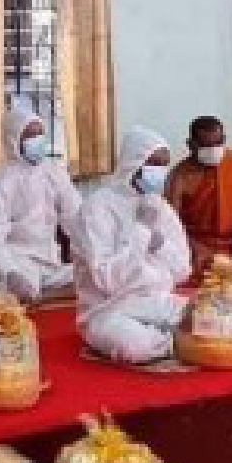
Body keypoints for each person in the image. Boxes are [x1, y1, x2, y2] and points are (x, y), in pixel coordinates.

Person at [74, 127, 192, 363]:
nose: (159, 172)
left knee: (215, 318)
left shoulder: (160, 207)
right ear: (133, 162)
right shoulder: (98, 208)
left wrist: (160, 245)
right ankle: (176, 341)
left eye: (164, 165)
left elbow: (183, 271)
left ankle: (173, 339)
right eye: (153, 164)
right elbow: (108, 280)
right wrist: (141, 233)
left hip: (156, 302)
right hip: (109, 309)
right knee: (136, 347)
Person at [0, 107, 81, 303]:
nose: (38, 140)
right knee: (24, 292)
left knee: (93, 278)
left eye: (41, 134)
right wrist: (9, 272)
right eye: (30, 136)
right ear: (13, 140)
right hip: (18, 261)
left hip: (51, 262)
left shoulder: (54, 173)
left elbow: (75, 216)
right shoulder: (1, 181)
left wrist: (93, 253)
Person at [163, 115, 232, 282]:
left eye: (218, 143)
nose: (214, 149)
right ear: (191, 145)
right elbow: (171, 225)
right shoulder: (180, 175)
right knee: (205, 275)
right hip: (198, 246)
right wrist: (193, 248)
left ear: (224, 139)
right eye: (206, 145)